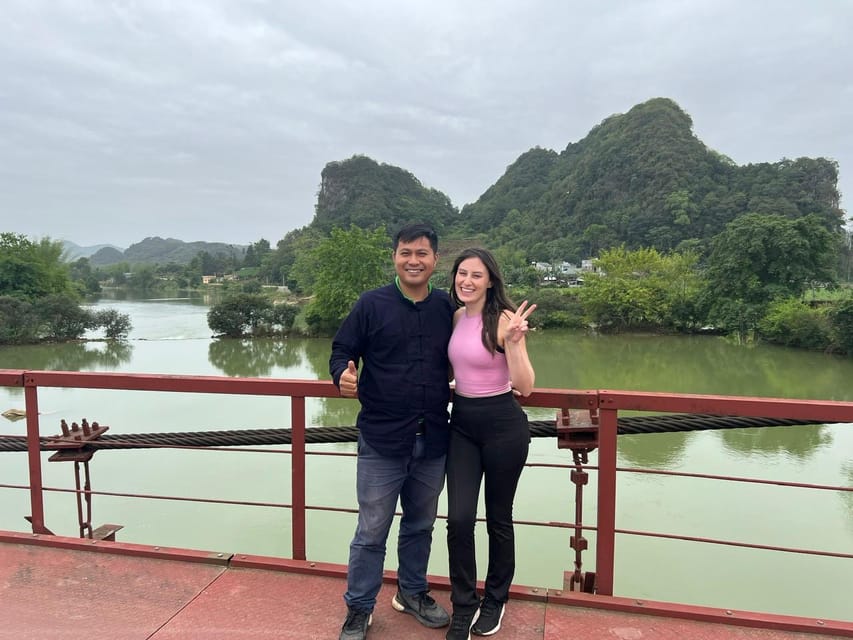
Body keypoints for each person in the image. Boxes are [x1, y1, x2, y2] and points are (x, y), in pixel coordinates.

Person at [330, 223, 455, 640]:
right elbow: (342, 351)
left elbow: (475, 345)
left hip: (434, 437)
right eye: (406, 253)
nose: (413, 261)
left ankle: (412, 592)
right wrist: (341, 378)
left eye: (422, 253)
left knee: (420, 524)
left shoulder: (446, 308)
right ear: (395, 258)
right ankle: (360, 608)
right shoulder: (371, 304)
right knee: (371, 531)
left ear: (436, 260)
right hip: (382, 439)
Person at [444, 247, 536, 640]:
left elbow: (526, 387)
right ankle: (464, 604)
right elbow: (460, 365)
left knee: (499, 519)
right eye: (461, 273)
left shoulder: (503, 321)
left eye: (476, 275)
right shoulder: (455, 317)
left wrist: (514, 343)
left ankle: (495, 599)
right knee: (459, 519)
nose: (467, 280)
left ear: (491, 281)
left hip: (502, 426)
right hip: (462, 425)